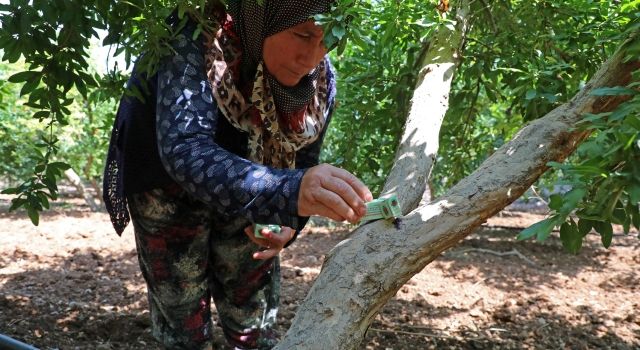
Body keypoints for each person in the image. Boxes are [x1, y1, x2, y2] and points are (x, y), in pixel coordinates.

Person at [103, 1, 372, 349]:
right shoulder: (194, 35)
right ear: (264, 18)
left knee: (252, 318)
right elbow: (185, 149)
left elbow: (302, 157)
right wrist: (288, 191)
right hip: (166, 187)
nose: (312, 56)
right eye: (302, 34)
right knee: (183, 316)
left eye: (325, 41)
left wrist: (291, 222)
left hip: (257, 187)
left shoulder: (318, 83)